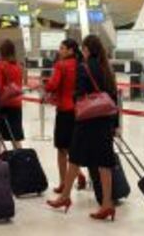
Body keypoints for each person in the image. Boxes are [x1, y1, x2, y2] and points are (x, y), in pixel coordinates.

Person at [47, 35, 118, 222]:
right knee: (104, 161)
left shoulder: (83, 67)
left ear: (86, 49)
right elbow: (113, 96)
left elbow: (78, 93)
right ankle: (107, 204)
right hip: (105, 120)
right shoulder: (106, 68)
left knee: (75, 157)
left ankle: (64, 197)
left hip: (87, 120)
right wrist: (116, 124)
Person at [44, 39, 86, 194]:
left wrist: (44, 86)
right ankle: (79, 174)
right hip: (78, 111)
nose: (59, 51)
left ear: (70, 50)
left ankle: (63, 182)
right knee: (71, 147)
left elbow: (52, 85)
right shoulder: (81, 65)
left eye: (62, 48)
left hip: (64, 110)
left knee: (61, 149)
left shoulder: (60, 65)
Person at [0, 39, 24, 149]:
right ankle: (20, 161)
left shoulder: (0, 65)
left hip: (4, 104)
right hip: (16, 104)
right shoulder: (18, 65)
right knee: (15, 137)